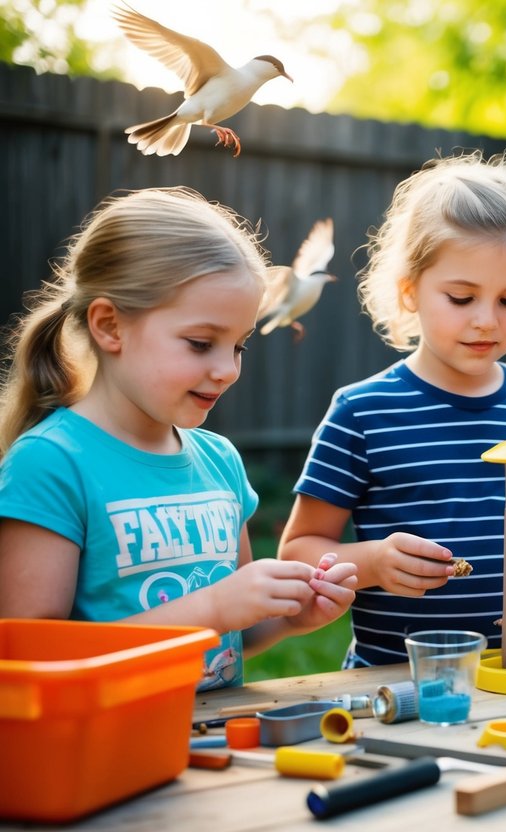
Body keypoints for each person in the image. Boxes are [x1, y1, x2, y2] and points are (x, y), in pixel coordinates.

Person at [0, 188, 357, 690]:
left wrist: (292, 615)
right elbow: (32, 659)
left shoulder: (220, 462)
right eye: (200, 344)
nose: (228, 370)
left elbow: (233, 633)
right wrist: (210, 607)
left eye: (238, 345)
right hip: (106, 753)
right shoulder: (51, 464)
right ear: (110, 326)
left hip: (215, 744)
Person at [278, 152, 506, 667]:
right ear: (410, 290)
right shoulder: (363, 412)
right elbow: (298, 552)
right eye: (461, 297)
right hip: (400, 679)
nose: (486, 321)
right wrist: (372, 562)